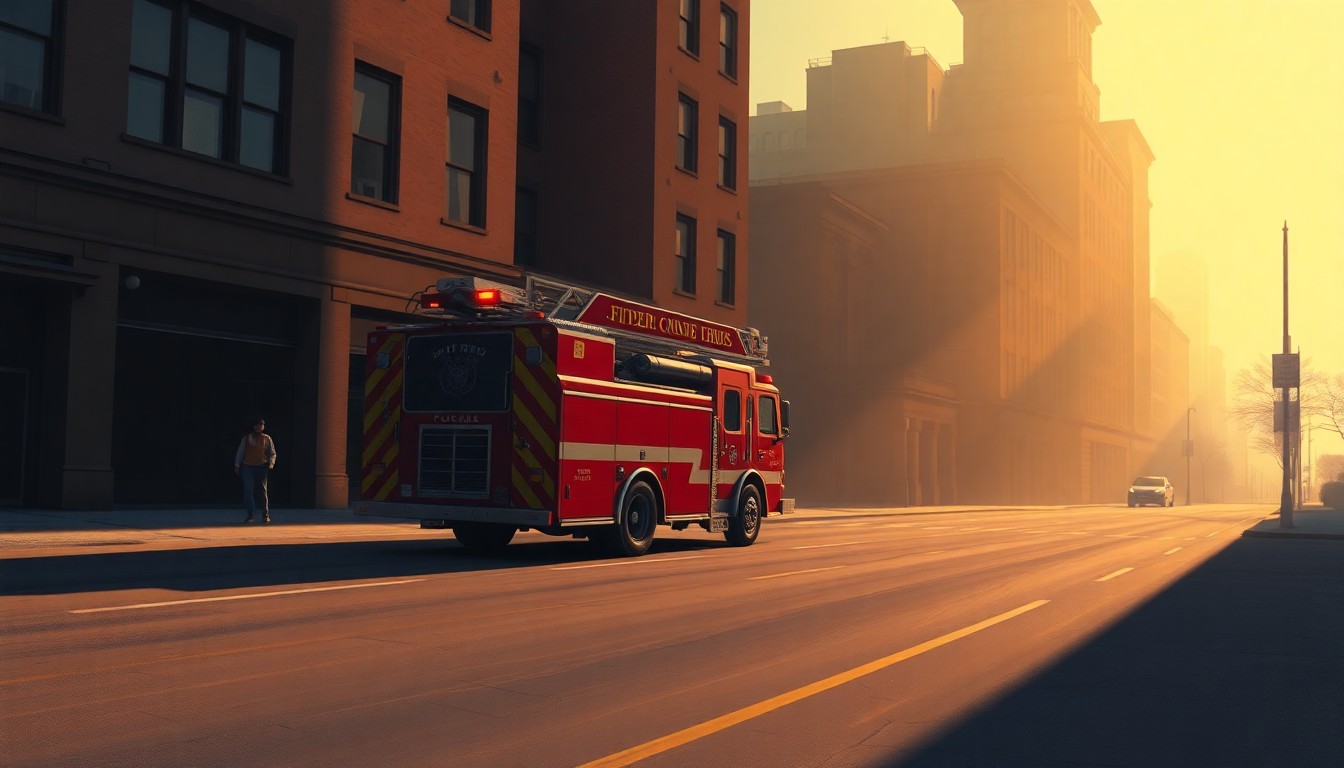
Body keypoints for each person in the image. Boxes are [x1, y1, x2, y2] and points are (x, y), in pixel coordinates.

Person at [234, 418, 277, 523]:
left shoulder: (267, 438)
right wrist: (237, 464)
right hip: (248, 466)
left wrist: (271, 463)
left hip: (262, 467)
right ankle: (251, 514)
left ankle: (265, 514)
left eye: (261, 425)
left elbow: (272, 453)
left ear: (263, 427)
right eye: (257, 425)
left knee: (263, 491)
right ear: (254, 426)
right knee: (248, 490)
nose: (259, 427)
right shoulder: (247, 438)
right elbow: (241, 451)